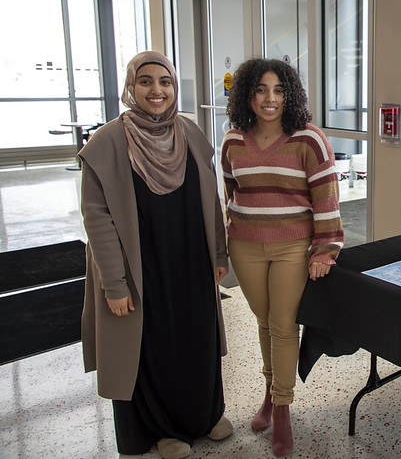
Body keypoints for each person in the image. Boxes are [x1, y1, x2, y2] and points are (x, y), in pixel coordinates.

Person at [80, 51, 232, 459]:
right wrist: (114, 283)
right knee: (153, 345)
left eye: (164, 81)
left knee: (197, 339)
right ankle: (164, 429)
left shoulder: (188, 132)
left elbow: (212, 200)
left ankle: (205, 415)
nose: (156, 90)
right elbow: (97, 220)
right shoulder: (108, 142)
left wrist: (219, 252)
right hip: (140, 267)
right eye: (145, 81)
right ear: (131, 86)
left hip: (191, 261)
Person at [222, 58, 344, 457]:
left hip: (293, 245)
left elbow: (326, 197)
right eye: (260, 90)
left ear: (289, 94)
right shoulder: (233, 141)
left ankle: (283, 407)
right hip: (245, 245)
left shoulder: (308, 139)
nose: (269, 99)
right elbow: (230, 194)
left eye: (278, 90)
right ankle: (269, 395)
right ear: (247, 96)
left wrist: (325, 249)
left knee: (283, 323)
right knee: (263, 321)